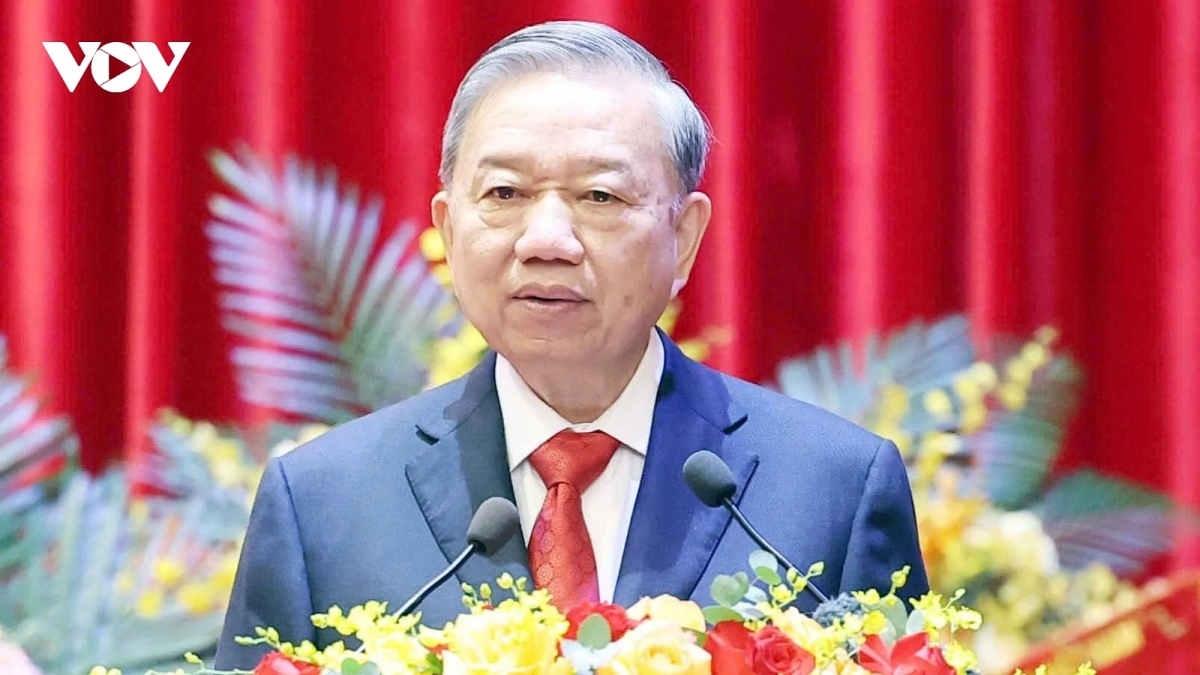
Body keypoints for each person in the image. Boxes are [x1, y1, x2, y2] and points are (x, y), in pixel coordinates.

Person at [214, 20, 928, 668]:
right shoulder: (321, 501)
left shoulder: (834, 488)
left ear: (683, 239)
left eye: (600, 197)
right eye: (504, 194)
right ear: (449, 225)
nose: (546, 240)